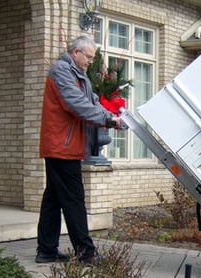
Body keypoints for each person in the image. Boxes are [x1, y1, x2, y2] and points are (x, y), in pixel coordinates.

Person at [36, 36, 121, 263]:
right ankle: (86, 252)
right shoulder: (61, 72)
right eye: (89, 57)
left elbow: (92, 101)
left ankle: (46, 250)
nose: (90, 62)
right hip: (61, 147)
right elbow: (77, 105)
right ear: (76, 52)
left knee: (53, 199)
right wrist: (109, 120)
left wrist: (113, 116)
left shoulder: (80, 76)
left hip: (65, 146)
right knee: (74, 199)